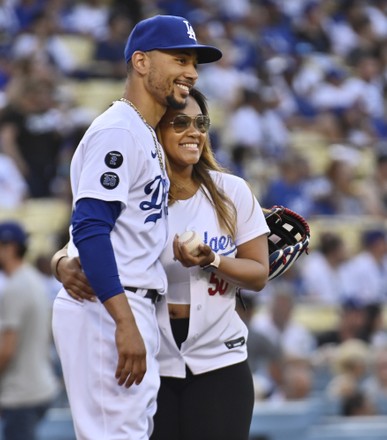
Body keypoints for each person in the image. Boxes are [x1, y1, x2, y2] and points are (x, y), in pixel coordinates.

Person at [52, 87, 270, 440]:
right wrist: (60, 262)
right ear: (156, 131)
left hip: (219, 359)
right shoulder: (139, 193)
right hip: (152, 356)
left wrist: (213, 259)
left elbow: (259, 274)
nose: (193, 132)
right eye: (179, 122)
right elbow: (83, 243)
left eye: (201, 122)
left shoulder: (231, 191)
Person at [50, 15, 222, 440]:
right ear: (141, 62)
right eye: (180, 59)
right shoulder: (118, 132)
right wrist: (123, 321)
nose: (192, 73)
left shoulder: (141, 131)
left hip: (125, 302)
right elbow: (90, 227)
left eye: (194, 63)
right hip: (111, 305)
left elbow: (119, 231)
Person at [0, 221, 60, 440]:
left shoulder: (15, 288)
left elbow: (7, 349)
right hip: (38, 384)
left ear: (10, 247)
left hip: (21, 392)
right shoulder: (32, 279)